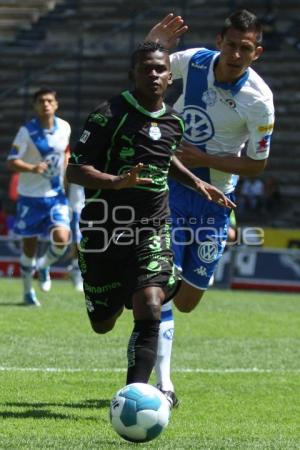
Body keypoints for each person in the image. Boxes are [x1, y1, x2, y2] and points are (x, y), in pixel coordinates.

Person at [66, 42, 235, 408]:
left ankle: (135, 399)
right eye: (146, 69)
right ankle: (105, 300)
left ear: (170, 76)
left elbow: (167, 158)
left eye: (160, 69)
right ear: (133, 74)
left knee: (152, 302)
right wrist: (117, 182)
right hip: (105, 230)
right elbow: (75, 169)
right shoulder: (108, 115)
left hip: (153, 227)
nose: (154, 74)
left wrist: (198, 183)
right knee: (103, 323)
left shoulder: (173, 121)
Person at [146, 10, 275, 400]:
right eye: (232, 44)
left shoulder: (260, 101)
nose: (237, 53)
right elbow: (150, 70)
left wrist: (206, 159)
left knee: (187, 301)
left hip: (215, 199)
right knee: (161, 286)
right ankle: (164, 384)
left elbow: (258, 164)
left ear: (257, 53)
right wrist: (152, 45)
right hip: (173, 183)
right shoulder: (196, 61)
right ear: (220, 41)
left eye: (246, 48)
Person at [7, 88, 71, 306]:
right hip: (30, 197)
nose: (46, 104)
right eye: (41, 101)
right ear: (35, 106)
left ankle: (44, 265)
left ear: (56, 104)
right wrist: (33, 168)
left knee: (62, 239)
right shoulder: (27, 131)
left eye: (50, 100)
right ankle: (27, 292)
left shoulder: (65, 127)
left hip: (55, 195)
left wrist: (67, 170)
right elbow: (11, 160)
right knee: (29, 249)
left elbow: (66, 151)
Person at [68, 182, 85, 291]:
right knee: (78, 243)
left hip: (91, 206)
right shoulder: (73, 165)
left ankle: (76, 270)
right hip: (75, 208)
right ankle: (76, 272)